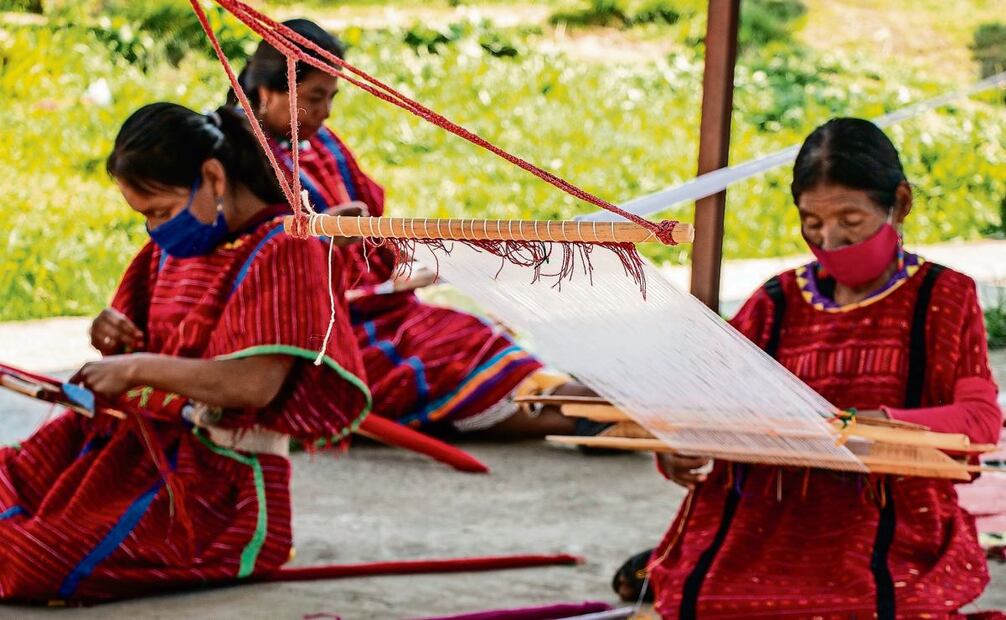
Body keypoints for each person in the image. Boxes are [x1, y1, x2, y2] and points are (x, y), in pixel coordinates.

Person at [613, 118, 1003, 618]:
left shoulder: (943, 297)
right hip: (762, 517)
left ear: (899, 204)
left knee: (872, 604)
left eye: (851, 219)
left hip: (888, 519)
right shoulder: (774, 303)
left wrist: (871, 426)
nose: (831, 238)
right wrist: (676, 452)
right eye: (812, 223)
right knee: (709, 601)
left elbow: (979, 422)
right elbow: (706, 409)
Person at [0, 102, 370, 603]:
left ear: (213, 177)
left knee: (35, 560)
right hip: (127, 446)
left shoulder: (284, 247)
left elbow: (253, 384)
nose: (155, 229)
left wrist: (135, 367)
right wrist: (111, 334)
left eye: (160, 211)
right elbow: (135, 335)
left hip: (215, 485)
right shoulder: (174, 247)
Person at [231, 19, 591, 439]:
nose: (326, 112)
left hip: (374, 307)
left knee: (471, 335)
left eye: (331, 98)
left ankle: (590, 411)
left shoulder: (320, 144)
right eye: (314, 98)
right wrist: (326, 239)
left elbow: (373, 230)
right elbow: (243, 250)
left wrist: (396, 262)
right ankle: (590, 413)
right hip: (314, 331)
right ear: (267, 90)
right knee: (436, 362)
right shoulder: (241, 158)